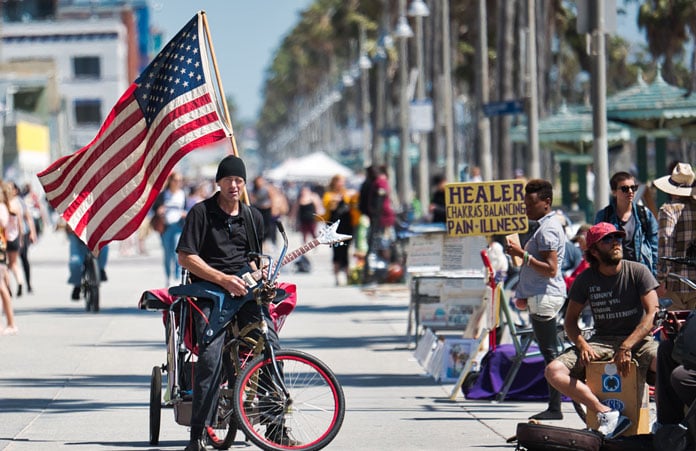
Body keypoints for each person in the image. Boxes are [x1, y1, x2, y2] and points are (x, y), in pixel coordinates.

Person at [176, 155, 292, 451]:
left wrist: (260, 274)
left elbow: (255, 257)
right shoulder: (201, 213)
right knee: (210, 357)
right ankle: (197, 434)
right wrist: (222, 279)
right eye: (228, 179)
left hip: (246, 291)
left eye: (239, 180)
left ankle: (276, 426)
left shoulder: (252, 216)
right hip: (208, 292)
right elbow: (186, 257)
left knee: (272, 348)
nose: (234, 185)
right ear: (219, 182)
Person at [544, 222, 659, 439]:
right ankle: (605, 413)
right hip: (601, 341)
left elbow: (652, 313)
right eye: (607, 239)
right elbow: (570, 321)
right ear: (594, 251)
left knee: (666, 364)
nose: (615, 242)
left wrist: (627, 345)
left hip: (638, 341)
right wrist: (582, 345)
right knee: (553, 371)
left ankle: (664, 422)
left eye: (617, 238)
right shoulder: (585, 279)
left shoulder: (637, 271)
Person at [505, 178, 567, 421]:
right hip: (541, 296)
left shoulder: (549, 229)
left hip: (545, 296)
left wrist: (523, 255)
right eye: (525, 204)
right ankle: (555, 405)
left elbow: (551, 269)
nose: (527, 209)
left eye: (531, 204)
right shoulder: (544, 226)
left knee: (550, 354)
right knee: (549, 351)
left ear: (547, 203)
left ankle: (555, 406)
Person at [594, 171, 658, 276]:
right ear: (614, 192)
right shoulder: (604, 216)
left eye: (633, 188)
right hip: (614, 274)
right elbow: (597, 247)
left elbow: (655, 247)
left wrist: (655, 276)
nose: (630, 191)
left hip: (641, 273)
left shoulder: (645, 214)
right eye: (624, 188)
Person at [653, 162, 696, 310]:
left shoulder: (668, 210)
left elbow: (666, 246)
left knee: (675, 330)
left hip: (676, 284)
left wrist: (660, 279)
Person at [152, 172, 187, 286]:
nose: (178, 183)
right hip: (166, 227)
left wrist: (184, 213)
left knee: (177, 252)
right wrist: (159, 210)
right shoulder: (163, 195)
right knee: (167, 253)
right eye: (175, 180)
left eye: (180, 180)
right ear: (170, 181)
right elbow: (155, 208)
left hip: (178, 226)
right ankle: (167, 276)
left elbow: (186, 209)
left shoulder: (182, 194)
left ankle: (176, 275)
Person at [321, 174, 356, 286]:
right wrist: (336, 199)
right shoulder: (328, 195)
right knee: (336, 251)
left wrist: (348, 196)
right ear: (334, 182)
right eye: (340, 181)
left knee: (346, 251)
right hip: (333, 227)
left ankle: (347, 275)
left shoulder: (347, 194)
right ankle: (337, 277)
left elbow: (354, 203)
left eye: (343, 182)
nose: (342, 184)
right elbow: (328, 205)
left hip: (347, 225)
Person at [67, 225, 108, 301]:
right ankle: (77, 285)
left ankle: (101, 269)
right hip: (76, 235)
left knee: (104, 248)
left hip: (97, 233)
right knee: (75, 262)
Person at [0, 185, 17, 334]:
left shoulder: (2, 208)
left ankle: (11, 323)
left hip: (0, 250)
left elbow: (3, 223)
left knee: (1, 287)